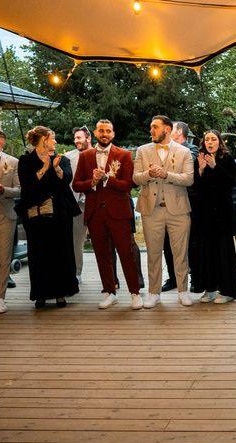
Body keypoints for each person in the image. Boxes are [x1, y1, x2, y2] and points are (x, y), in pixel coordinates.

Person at [72, 119, 143, 310]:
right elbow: (77, 184)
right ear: (95, 133)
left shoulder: (124, 155)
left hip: (119, 212)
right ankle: (109, 292)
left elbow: (128, 185)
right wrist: (92, 182)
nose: (105, 134)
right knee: (102, 255)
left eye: (108, 131)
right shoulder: (85, 156)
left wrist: (106, 179)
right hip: (95, 212)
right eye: (101, 130)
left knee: (126, 253)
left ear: (113, 133)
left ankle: (135, 293)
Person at [133, 115, 194, 308]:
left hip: (178, 210)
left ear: (167, 129)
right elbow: (135, 178)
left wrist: (166, 174)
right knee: (153, 253)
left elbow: (188, 179)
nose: (151, 130)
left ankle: (183, 291)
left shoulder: (184, 152)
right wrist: (149, 174)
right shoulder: (142, 151)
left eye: (154, 127)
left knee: (180, 253)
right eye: (151, 127)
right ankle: (153, 293)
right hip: (151, 211)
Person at [16, 126, 80, 308]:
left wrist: (57, 168)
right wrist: (44, 168)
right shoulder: (26, 161)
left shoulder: (62, 159)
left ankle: (61, 294)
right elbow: (27, 185)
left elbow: (67, 179)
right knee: (38, 254)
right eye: (53, 138)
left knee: (61, 252)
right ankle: (40, 294)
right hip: (36, 214)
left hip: (60, 212)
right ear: (44, 140)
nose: (56, 142)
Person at [193, 129, 236, 303]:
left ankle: (227, 291)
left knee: (223, 251)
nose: (210, 142)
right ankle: (210, 289)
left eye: (213, 139)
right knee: (207, 251)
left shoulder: (227, 159)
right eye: (207, 140)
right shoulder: (199, 159)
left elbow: (230, 182)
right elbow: (195, 187)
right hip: (205, 214)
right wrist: (200, 170)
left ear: (219, 142)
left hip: (222, 213)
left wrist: (215, 167)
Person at [161, 121, 200, 292]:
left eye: (171, 129)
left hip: (187, 203)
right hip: (166, 203)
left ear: (178, 133)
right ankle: (173, 278)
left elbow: (185, 167)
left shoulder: (192, 150)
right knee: (167, 243)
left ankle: (194, 278)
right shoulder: (163, 149)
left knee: (190, 243)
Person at [0, 128, 21, 313]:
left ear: (1, 142)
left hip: (5, 215)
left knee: (4, 258)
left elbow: (19, 190)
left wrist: (4, 190)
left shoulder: (12, 162)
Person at [65, 126, 92, 283]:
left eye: (79, 138)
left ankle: (112, 278)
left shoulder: (100, 154)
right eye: (75, 138)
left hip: (97, 204)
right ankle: (77, 273)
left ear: (88, 138)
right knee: (76, 240)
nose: (76, 141)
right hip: (77, 206)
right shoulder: (68, 157)